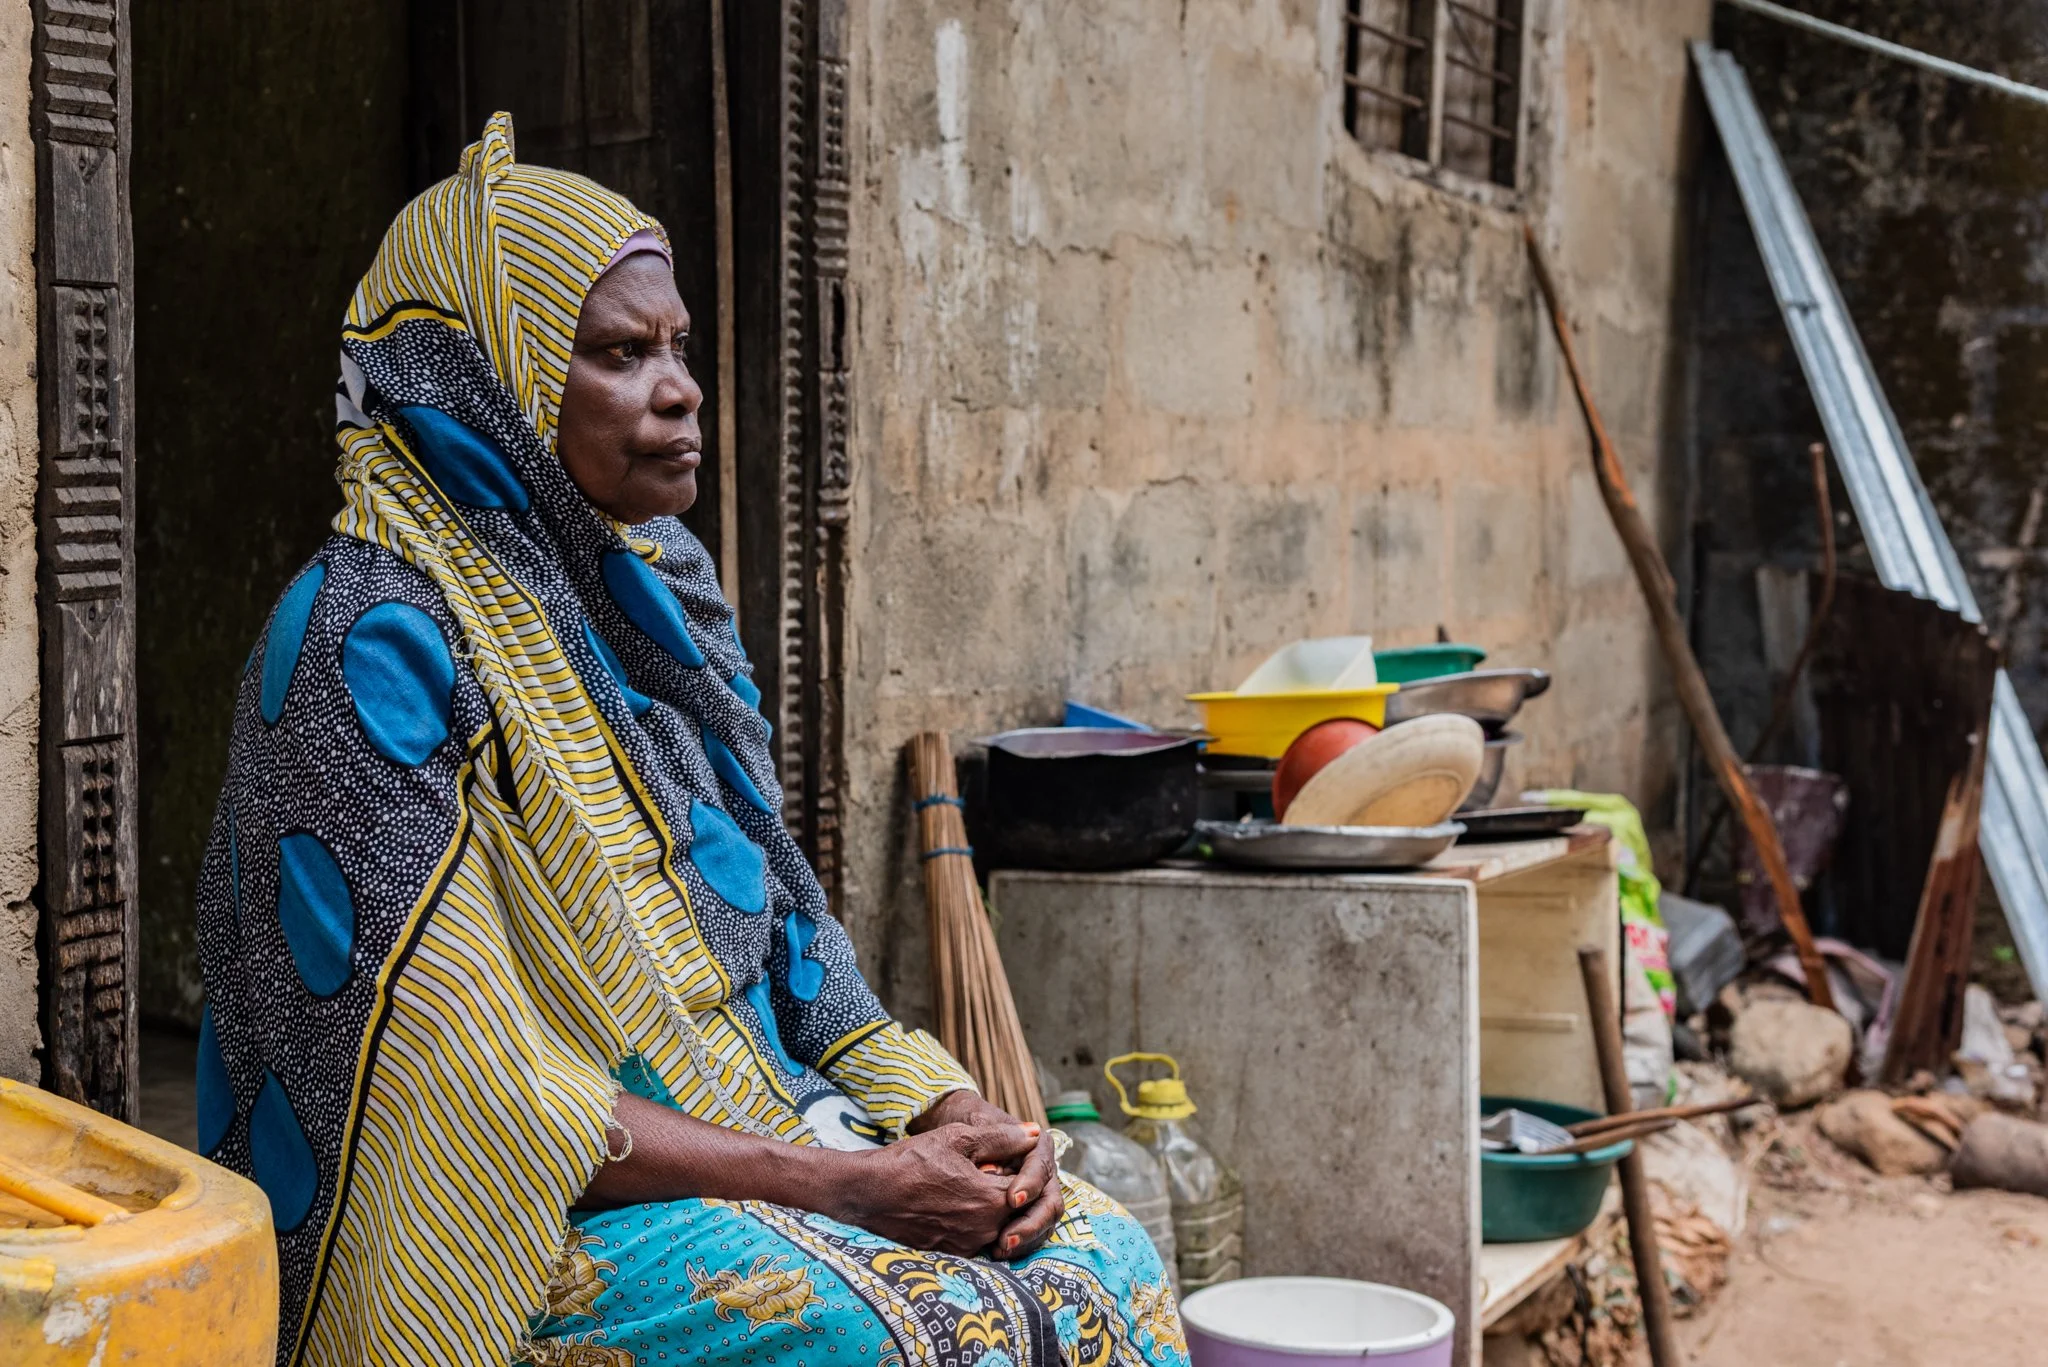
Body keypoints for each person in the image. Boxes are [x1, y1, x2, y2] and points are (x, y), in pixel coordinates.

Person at [193, 113, 1188, 1367]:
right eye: (616, 352)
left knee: (1105, 1258)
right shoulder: (363, 636)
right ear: (480, 378)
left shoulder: (652, 592)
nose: (679, 387)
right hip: (514, 1208)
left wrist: (949, 1109)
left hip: (764, 1125)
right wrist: (842, 1186)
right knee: (899, 1333)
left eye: (676, 346)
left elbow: (784, 930)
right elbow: (477, 1095)